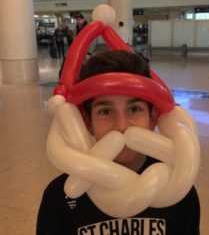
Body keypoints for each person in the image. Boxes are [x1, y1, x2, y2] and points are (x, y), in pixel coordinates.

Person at [37, 50, 200, 235]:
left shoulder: (179, 193)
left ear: (152, 117)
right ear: (87, 122)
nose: (121, 126)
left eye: (134, 109)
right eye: (105, 111)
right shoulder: (58, 198)